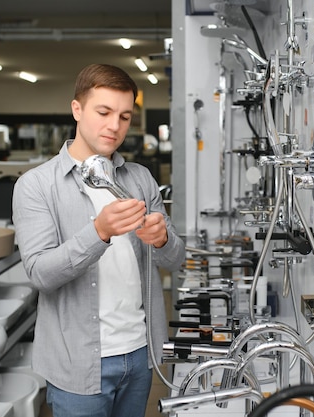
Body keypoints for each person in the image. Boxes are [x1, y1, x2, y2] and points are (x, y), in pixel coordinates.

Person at [12, 63, 186, 417]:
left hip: (139, 354)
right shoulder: (36, 185)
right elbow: (40, 273)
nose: (114, 126)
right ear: (77, 109)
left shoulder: (140, 178)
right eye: (103, 112)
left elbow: (176, 260)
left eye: (124, 116)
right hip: (78, 362)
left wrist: (163, 237)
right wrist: (99, 233)